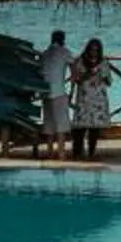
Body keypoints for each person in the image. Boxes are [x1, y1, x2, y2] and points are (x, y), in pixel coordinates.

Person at [71, 36, 111, 160]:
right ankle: (78, 152)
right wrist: (88, 73)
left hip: (98, 99)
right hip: (84, 98)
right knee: (80, 128)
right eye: (92, 49)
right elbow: (76, 79)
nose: (94, 52)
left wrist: (101, 75)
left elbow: (109, 81)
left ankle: (91, 152)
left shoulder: (103, 62)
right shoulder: (80, 61)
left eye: (97, 50)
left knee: (95, 129)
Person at [38, 28, 73, 157]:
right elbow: (73, 69)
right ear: (63, 40)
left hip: (45, 91)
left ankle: (49, 152)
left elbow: (40, 71)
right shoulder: (65, 52)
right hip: (59, 91)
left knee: (48, 123)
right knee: (61, 124)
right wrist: (72, 88)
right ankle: (61, 153)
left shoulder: (45, 53)